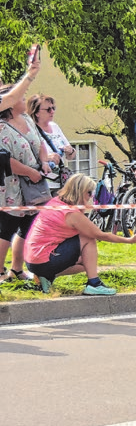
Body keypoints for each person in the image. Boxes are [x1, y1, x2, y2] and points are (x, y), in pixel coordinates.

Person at [25, 174, 136, 294]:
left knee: (87, 262)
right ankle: (94, 283)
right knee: (88, 239)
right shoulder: (72, 214)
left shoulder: (56, 202)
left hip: (33, 260)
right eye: (89, 193)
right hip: (43, 259)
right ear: (80, 192)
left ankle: (45, 276)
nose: (91, 196)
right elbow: (100, 235)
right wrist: (129, 240)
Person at [0, 81, 50, 283]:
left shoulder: (27, 120)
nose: (24, 100)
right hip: (12, 186)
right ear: (10, 103)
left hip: (34, 184)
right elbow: (5, 159)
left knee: (27, 225)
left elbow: (40, 144)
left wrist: (44, 163)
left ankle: (17, 269)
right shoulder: (2, 127)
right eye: (20, 97)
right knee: (7, 228)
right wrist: (29, 172)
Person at [28, 94, 76, 189]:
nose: (52, 112)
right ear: (37, 113)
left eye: (53, 108)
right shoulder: (30, 131)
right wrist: (46, 159)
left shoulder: (54, 126)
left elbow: (71, 156)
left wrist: (70, 151)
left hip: (61, 182)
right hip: (44, 184)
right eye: (48, 109)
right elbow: (27, 158)